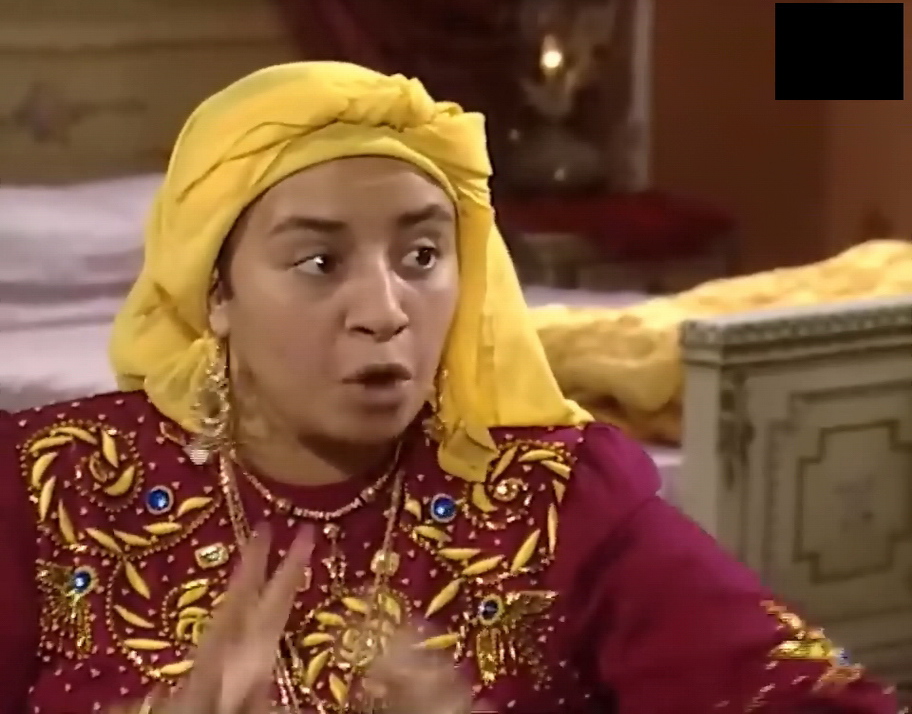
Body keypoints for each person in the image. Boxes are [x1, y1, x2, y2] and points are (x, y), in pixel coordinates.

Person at [0, 62, 900, 714]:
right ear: (216, 294)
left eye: (423, 255)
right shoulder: (51, 486)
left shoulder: (556, 499)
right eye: (318, 262)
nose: (386, 311)